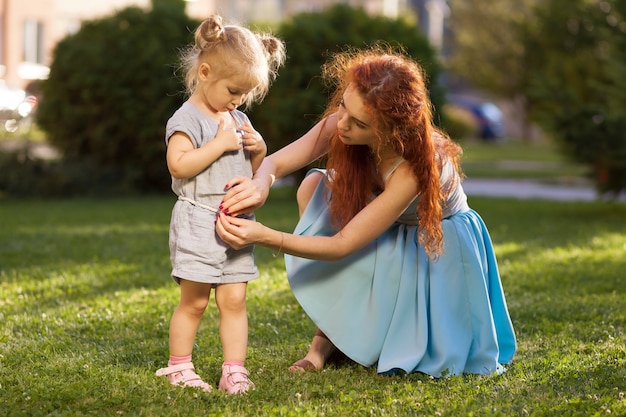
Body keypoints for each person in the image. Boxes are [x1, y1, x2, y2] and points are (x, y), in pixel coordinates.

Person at [215, 45, 516, 378]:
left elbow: (343, 244)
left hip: (434, 241)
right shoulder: (344, 121)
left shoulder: (412, 168)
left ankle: (345, 337)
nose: (342, 125)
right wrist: (261, 182)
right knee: (315, 187)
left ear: (390, 131)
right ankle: (328, 339)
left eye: (358, 123)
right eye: (342, 106)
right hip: (387, 225)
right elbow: (277, 162)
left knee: (426, 355)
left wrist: (266, 237)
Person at [155, 15, 285, 393]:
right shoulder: (187, 119)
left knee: (234, 300)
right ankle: (179, 367)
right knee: (194, 302)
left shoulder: (238, 118)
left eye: (245, 94)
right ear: (206, 72)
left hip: (237, 224)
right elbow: (178, 165)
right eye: (233, 90)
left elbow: (248, 170)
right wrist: (218, 144)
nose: (238, 100)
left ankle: (234, 369)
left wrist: (259, 153)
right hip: (198, 222)